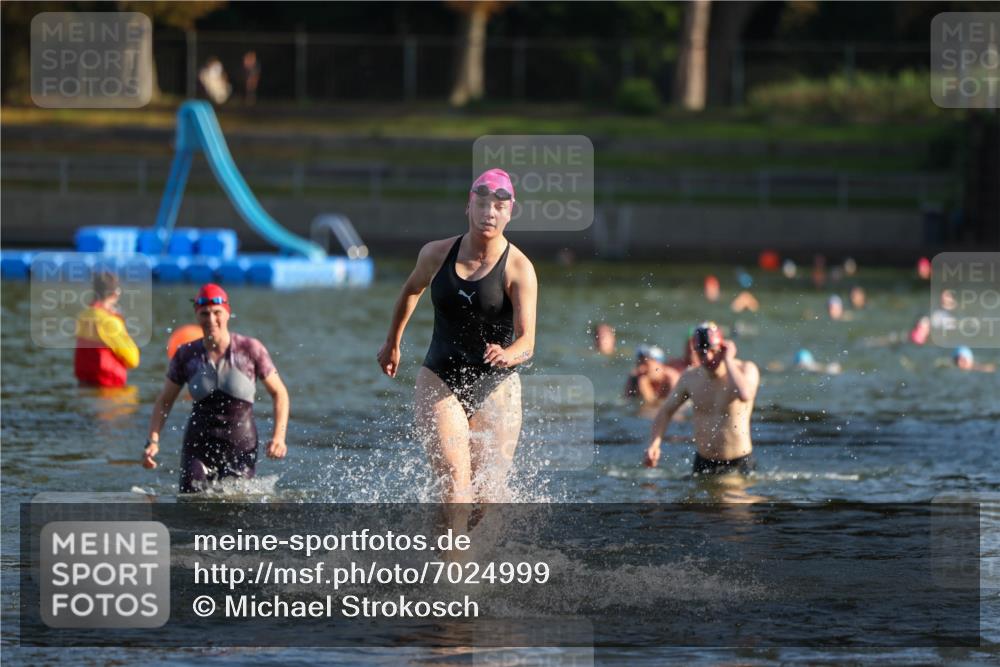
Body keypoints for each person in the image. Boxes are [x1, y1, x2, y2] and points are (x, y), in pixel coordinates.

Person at [377, 168, 537, 504]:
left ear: (510, 212)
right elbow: (410, 291)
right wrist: (392, 342)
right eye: (481, 204)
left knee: (487, 500)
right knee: (455, 490)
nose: (488, 213)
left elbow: (527, 342)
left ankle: (453, 552)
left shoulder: (519, 268)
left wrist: (508, 354)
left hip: (497, 386)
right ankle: (451, 558)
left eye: (498, 206)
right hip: (440, 377)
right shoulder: (436, 253)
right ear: (469, 206)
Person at [142, 284, 289, 493]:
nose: (211, 320)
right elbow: (164, 400)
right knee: (191, 503)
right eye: (204, 314)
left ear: (227, 313)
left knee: (233, 510)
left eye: (217, 313)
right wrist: (153, 440)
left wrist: (279, 437)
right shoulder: (186, 355)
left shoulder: (250, 349)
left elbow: (279, 393)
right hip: (198, 446)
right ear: (197, 315)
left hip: (241, 446)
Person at [643, 322, 760, 476]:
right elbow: (665, 412)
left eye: (712, 350)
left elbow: (745, 394)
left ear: (723, 348)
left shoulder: (746, 369)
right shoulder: (690, 377)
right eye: (702, 353)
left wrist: (729, 360)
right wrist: (654, 445)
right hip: (703, 462)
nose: (708, 357)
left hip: (737, 463)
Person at [74, 271, 140, 387]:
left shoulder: (83, 316)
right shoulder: (110, 322)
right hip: (109, 389)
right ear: (115, 294)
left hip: (84, 384)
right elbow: (133, 359)